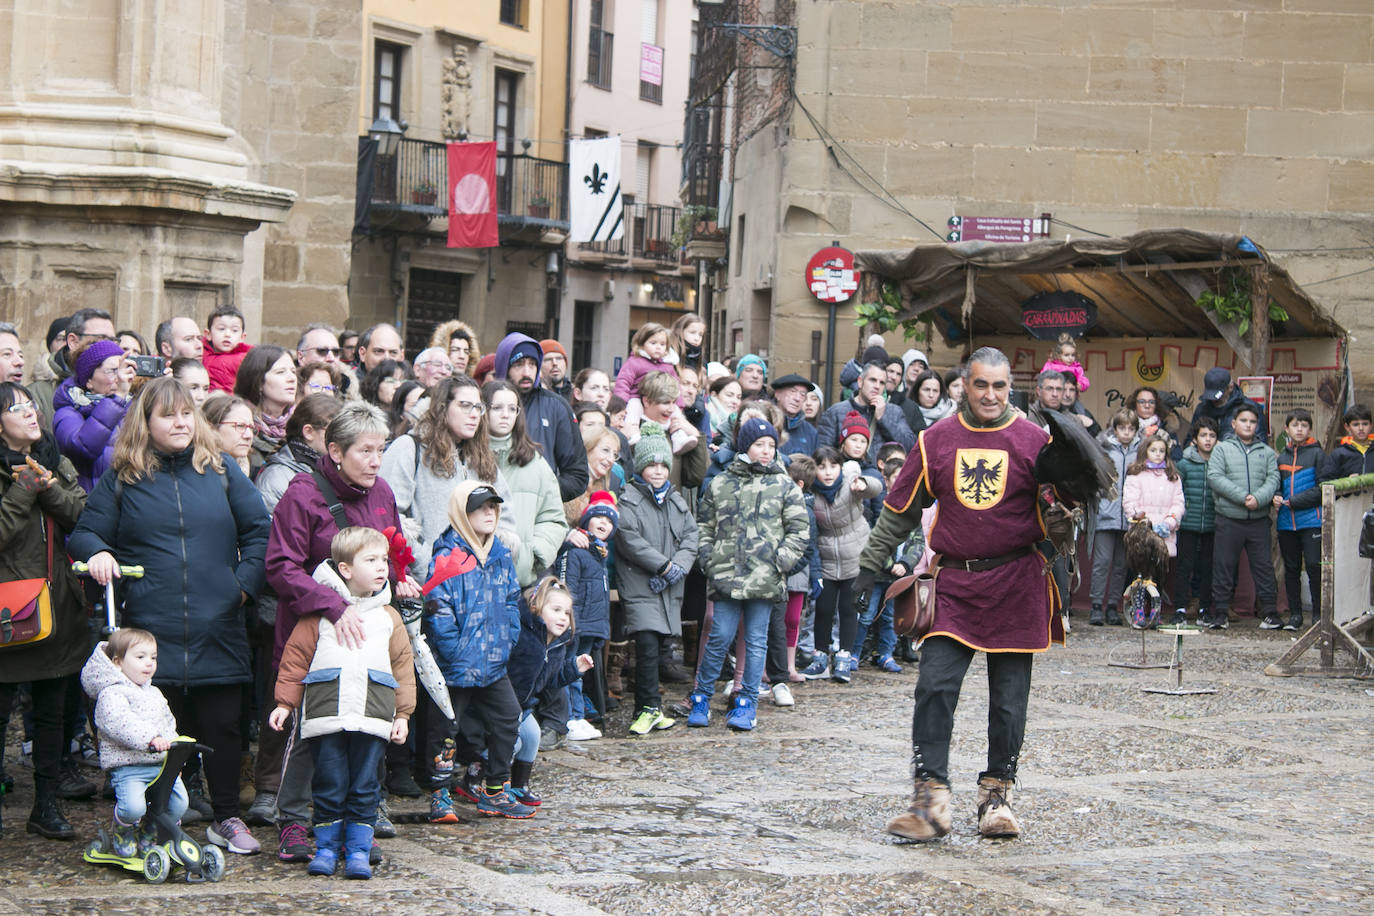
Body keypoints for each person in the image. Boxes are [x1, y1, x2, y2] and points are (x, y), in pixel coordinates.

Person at [859, 347, 1062, 842]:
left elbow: (1064, 506)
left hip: (1017, 581)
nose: (989, 395)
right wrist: (869, 567)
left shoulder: (1038, 442)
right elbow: (901, 509)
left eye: (998, 386)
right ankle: (931, 804)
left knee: (1009, 702)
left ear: (1009, 386)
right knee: (934, 687)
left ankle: (997, 798)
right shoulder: (936, 440)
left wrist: (1065, 513)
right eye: (980, 385)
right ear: (963, 387)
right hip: (953, 583)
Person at [70, 375, 272, 855]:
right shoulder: (125, 476)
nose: (180, 422)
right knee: (157, 735)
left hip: (217, 624)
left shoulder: (221, 469)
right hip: (152, 632)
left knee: (223, 726)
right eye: (168, 415)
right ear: (147, 422)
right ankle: (154, 818)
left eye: (186, 413)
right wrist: (98, 551)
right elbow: (85, 533)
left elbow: (260, 532)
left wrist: (241, 587)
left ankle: (226, 818)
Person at [264, 401, 419, 862]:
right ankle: (291, 822)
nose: (376, 460)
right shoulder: (302, 494)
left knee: (366, 726)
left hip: (370, 635)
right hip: (315, 634)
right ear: (334, 451)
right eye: (365, 451)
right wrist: (332, 605)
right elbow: (280, 566)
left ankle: (360, 822)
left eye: (381, 450)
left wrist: (399, 575)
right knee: (309, 732)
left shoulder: (383, 491)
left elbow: (389, 550)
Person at [270, 527, 416, 880]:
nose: (382, 567)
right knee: (329, 782)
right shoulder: (319, 613)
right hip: (327, 712)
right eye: (371, 560)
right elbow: (295, 659)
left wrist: (403, 714)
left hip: (373, 714)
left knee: (366, 784)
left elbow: (403, 665)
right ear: (346, 569)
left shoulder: (389, 617)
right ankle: (326, 847)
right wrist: (285, 704)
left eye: (384, 560)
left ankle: (359, 850)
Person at [0, 382, 89, 839]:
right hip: (6, 612)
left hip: (57, 606)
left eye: (31, 404)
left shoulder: (56, 461)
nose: (30, 412)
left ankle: (46, 805)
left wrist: (46, 487)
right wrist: (21, 493)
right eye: (16, 408)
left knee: (54, 713)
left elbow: (82, 516)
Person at [422, 482, 535, 821]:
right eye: (479, 508)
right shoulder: (447, 554)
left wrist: (508, 639)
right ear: (462, 513)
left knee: (508, 716)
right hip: (456, 664)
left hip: (493, 661)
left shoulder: (500, 554)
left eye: (493, 507)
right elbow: (438, 607)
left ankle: (496, 789)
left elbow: (512, 600)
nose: (489, 513)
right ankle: (439, 794)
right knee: (445, 730)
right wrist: (455, 650)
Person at [688, 418, 808, 731]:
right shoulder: (722, 483)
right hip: (726, 575)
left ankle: (747, 702)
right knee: (719, 637)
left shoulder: (784, 485)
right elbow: (704, 525)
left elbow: (799, 529)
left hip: (765, 578)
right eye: (759, 445)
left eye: (771, 445)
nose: (766, 451)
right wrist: (708, 557)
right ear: (745, 447)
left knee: (756, 641)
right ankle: (701, 696)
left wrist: (781, 560)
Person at [379, 376, 517, 578]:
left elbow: (504, 519)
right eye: (465, 405)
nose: (474, 414)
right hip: (424, 585)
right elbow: (386, 515)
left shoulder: (481, 457)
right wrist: (428, 562)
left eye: (478, 407)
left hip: (475, 584)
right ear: (443, 407)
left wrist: (488, 561)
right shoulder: (409, 448)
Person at [616, 425, 700, 735]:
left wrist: (678, 566)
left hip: (668, 588)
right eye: (651, 464)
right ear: (640, 467)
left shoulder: (676, 501)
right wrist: (664, 566)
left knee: (661, 647)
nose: (658, 471)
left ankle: (651, 707)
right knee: (648, 645)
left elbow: (692, 536)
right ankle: (647, 708)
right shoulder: (628, 500)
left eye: (663, 464)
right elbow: (629, 539)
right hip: (641, 585)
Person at [79, 629, 189, 856]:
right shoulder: (112, 694)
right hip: (129, 765)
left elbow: (168, 723)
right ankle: (122, 828)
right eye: (140, 657)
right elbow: (119, 723)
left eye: (153, 657)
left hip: (160, 764)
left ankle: (150, 829)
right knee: (132, 808)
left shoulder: (155, 693)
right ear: (118, 663)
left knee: (178, 805)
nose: (149, 663)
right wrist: (150, 738)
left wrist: (175, 752)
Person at [504, 578, 593, 806]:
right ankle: (484, 781)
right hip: (503, 701)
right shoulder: (522, 635)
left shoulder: (556, 644)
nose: (563, 617)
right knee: (509, 743)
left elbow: (551, 680)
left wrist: (574, 668)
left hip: (524, 704)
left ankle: (520, 785)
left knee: (532, 736)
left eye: (567, 612)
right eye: (556, 610)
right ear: (536, 607)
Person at [808, 443, 882, 683]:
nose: (828, 472)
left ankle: (844, 656)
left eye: (833, 466)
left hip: (855, 550)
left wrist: (864, 484)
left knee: (849, 609)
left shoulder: (851, 479)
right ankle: (820, 657)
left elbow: (875, 486)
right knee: (824, 608)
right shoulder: (811, 491)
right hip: (827, 553)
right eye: (822, 467)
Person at [483, 380, 569, 586]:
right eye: (497, 408)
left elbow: (554, 519)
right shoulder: (466, 458)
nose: (506, 414)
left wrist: (532, 554)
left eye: (512, 408)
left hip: (519, 581)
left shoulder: (536, 463)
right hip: (468, 580)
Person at [1206, 404, 1280, 630]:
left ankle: (1270, 612)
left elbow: (1273, 478)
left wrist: (1259, 498)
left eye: (1252, 422)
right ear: (1234, 423)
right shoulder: (1222, 449)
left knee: (1264, 567)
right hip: (1229, 518)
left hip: (1258, 519)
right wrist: (1243, 497)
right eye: (1244, 420)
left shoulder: (1266, 452)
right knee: (1223, 566)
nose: (1248, 425)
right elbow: (1215, 477)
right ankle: (1220, 613)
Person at [493, 332, 588, 502]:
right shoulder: (483, 402)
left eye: (532, 364)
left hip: (540, 514)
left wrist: (543, 493)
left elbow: (577, 475)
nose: (526, 372)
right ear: (504, 367)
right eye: (519, 364)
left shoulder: (557, 407)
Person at [554, 491, 617, 740]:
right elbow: (567, 589)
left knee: (580, 673)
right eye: (599, 517)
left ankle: (579, 716)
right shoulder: (576, 551)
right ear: (586, 520)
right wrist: (569, 623)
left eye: (610, 520)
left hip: (592, 626)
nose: (604, 523)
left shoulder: (599, 555)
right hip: (576, 625)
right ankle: (571, 718)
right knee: (572, 672)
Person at [51, 338, 133, 492]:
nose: (120, 377)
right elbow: (82, 447)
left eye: (123, 369)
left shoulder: (133, 407)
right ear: (89, 381)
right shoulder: (68, 411)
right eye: (113, 371)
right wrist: (118, 398)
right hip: (91, 505)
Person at [1122, 433, 1185, 622]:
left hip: (1164, 533)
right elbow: (1130, 504)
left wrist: (1169, 523)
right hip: (1141, 535)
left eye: (1161, 451)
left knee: (1159, 573)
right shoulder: (1136, 475)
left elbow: (1178, 503)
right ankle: (1139, 610)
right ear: (1145, 452)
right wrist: (1146, 523)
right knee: (1140, 573)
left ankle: (1155, 611)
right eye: (1153, 450)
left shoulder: (1172, 476)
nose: (1157, 454)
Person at [1273, 409, 1326, 630]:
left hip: (1311, 520)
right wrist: (1275, 497)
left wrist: (1294, 501)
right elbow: (1277, 484)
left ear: (1310, 429)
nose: (1300, 429)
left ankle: (1317, 615)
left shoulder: (1317, 454)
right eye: (1295, 425)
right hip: (1286, 522)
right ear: (1287, 429)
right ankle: (1295, 616)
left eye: (1304, 425)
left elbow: (1323, 488)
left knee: (1314, 566)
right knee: (1291, 568)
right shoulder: (1282, 456)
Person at [1089, 409, 1140, 626]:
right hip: (1105, 513)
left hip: (1129, 517)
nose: (1126, 433)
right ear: (1114, 428)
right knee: (1102, 562)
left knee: (1121, 564)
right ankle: (1096, 605)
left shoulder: (1141, 450)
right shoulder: (1103, 448)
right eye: (1122, 428)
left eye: (1131, 428)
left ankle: (1113, 605)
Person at [817, 361, 918, 466]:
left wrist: (884, 418)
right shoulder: (835, 412)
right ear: (860, 382)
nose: (877, 386)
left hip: (884, 480)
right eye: (873, 380)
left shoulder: (894, 412)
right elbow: (823, 456)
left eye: (882, 382)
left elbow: (911, 447)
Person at [31, 308, 115, 423]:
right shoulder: (38, 393)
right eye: (101, 339)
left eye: (113, 340)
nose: (109, 347)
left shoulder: (120, 386)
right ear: (73, 342)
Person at [782, 455, 822, 685]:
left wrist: (813, 574)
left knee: (792, 620)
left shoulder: (806, 511)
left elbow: (810, 547)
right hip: (779, 570)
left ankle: (789, 665)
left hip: (796, 574)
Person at [1175, 417, 1219, 626]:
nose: (1208, 440)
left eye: (1212, 435)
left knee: (1207, 568)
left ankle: (1203, 609)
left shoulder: (1219, 463)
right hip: (1188, 523)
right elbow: (1177, 492)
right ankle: (1180, 608)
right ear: (1195, 439)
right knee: (1184, 566)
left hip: (1212, 523)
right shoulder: (1184, 463)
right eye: (1203, 435)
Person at [233, 344, 297, 477]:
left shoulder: (301, 426)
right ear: (259, 382)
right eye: (280, 372)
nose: (291, 378)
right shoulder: (237, 425)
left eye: (293, 371)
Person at [1185, 367, 1269, 448]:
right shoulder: (1202, 409)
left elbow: (1260, 445)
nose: (1214, 400)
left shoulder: (1250, 408)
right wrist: (1193, 445)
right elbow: (1188, 442)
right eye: (1210, 396)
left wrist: (1225, 449)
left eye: (1218, 397)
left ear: (1230, 387)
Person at [202, 304, 253, 394]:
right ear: (208, 334)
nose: (227, 334)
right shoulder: (200, 351)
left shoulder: (246, 359)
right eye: (221, 329)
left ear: (242, 337)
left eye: (234, 330)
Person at [202, 393, 256, 476]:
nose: (249, 435)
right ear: (212, 428)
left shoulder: (251, 467)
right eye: (240, 426)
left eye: (251, 427)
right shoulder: (199, 471)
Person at [1320, 404, 1373, 480]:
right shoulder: (1339, 454)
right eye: (1356, 424)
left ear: (1371, 425)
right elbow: (1325, 480)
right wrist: (1346, 482)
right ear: (1347, 427)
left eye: (1365, 424)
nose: (1361, 428)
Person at [772, 374, 817, 458]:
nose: (797, 398)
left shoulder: (811, 432)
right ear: (777, 394)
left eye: (802, 394)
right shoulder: (765, 423)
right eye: (792, 391)